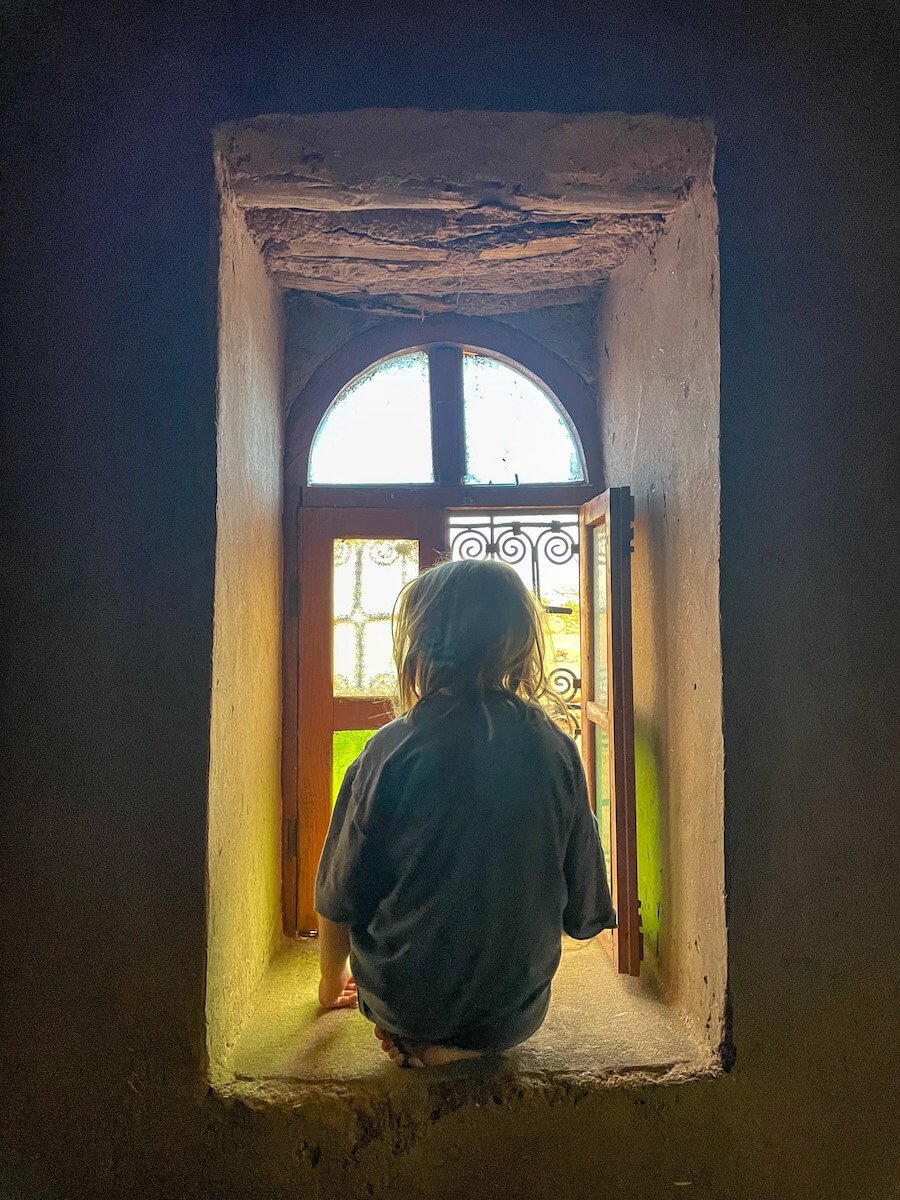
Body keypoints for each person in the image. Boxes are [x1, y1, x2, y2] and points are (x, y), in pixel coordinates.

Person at [315, 558, 615, 1068]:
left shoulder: (389, 749)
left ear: (420, 644)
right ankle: (453, 1040)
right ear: (520, 642)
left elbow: (336, 892)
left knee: (399, 968)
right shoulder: (557, 750)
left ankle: (415, 1032)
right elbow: (585, 905)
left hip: (402, 1000)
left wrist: (330, 983)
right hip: (514, 1015)